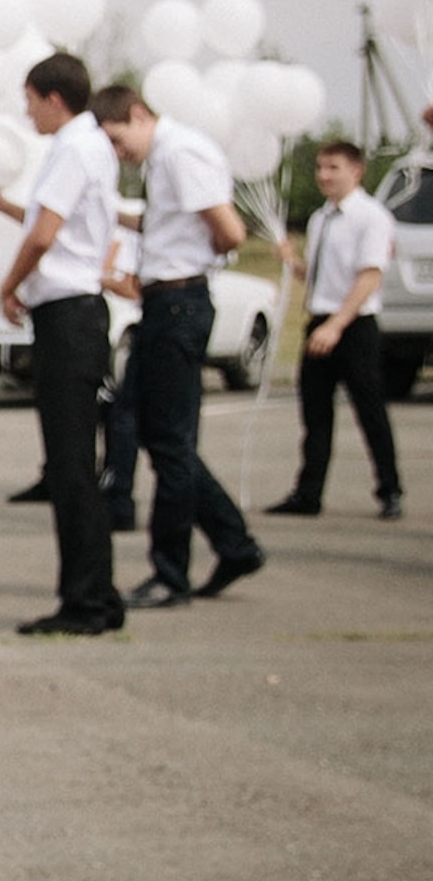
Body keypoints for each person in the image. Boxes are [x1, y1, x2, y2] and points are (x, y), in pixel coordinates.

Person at [93, 85, 265, 604]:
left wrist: (199, 258)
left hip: (179, 302)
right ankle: (233, 543)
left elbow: (230, 231)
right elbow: (166, 222)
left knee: (169, 441)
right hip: (164, 302)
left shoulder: (180, 152)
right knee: (153, 431)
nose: (119, 152)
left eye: (118, 139)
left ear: (138, 115)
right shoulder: (164, 158)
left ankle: (172, 572)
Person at [0, 52, 123, 636]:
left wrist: (9, 285)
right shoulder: (87, 146)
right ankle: (98, 592)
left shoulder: (73, 148)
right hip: (74, 309)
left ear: (54, 99)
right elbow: (55, 225)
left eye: (31, 101)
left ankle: (85, 600)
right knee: (74, 463)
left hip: (68, 315)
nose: (27, 112)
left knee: (70, 466)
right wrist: (3, 206)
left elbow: (44, 235)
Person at [274, 138, 403, 520]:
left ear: (356, 171)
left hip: (353, 324)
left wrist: (336, 325)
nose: (324, 176)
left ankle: (390, 488)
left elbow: (369, 276)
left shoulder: (371, 216)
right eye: (320, 168)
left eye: (333, 168)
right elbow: (321, 277)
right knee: (315, 413)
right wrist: (293, 263)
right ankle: (308, 492)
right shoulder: (321, 218)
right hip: (321, 318)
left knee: (369, 410)